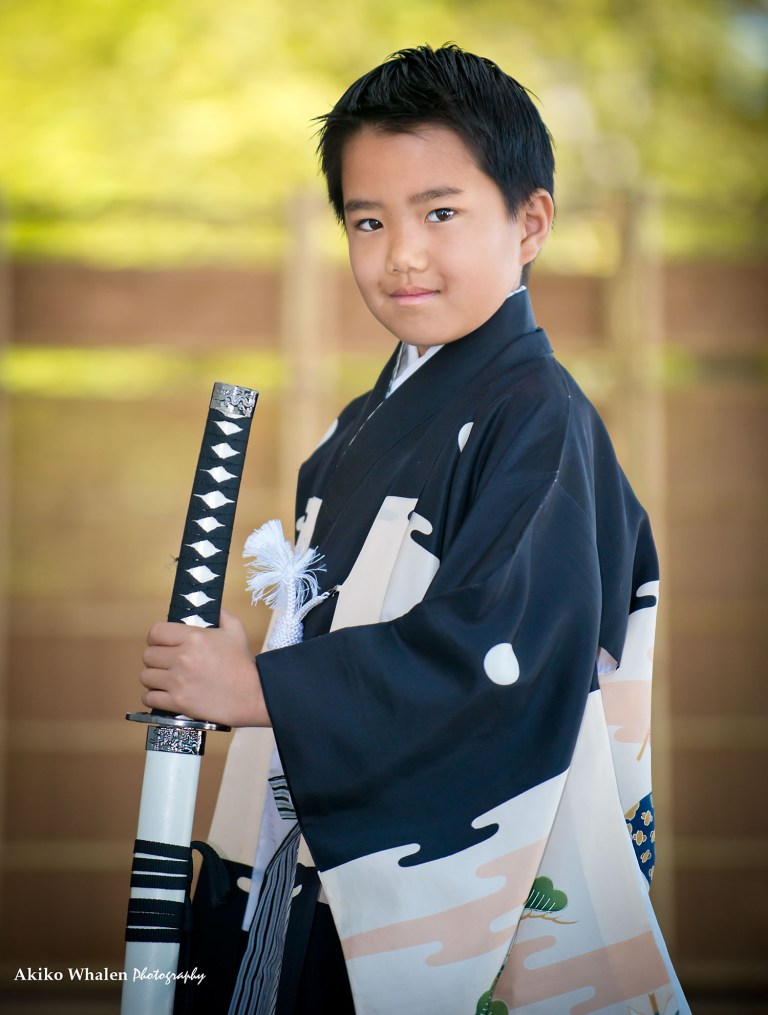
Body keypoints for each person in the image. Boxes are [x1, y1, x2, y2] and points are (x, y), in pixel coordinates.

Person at [141, 44, 690, 1015]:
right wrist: (262, 670)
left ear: (530, 221)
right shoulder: (349, 435)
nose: (401, 252)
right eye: (367, 219)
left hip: (460, 885)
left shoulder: (541, 420)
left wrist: (259, 685)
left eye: (441, 212)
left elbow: (502, 661)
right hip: (315, 862)